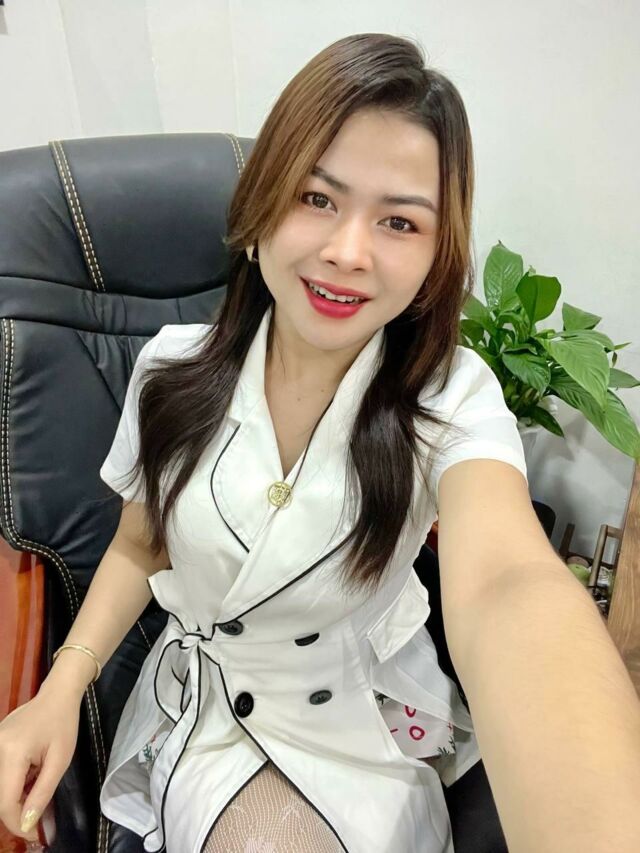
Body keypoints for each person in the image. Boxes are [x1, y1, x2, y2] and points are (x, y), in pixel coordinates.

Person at [0, 32, 590, 853]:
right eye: (317, 198)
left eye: (399, 221)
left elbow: (507, 580)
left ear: (435, 255)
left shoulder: (449, 395)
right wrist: (60, 687)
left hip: (359, 722)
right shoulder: (169, 371)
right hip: (211, 711)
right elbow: (141, 544)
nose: (348, 252)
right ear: (258, 211)